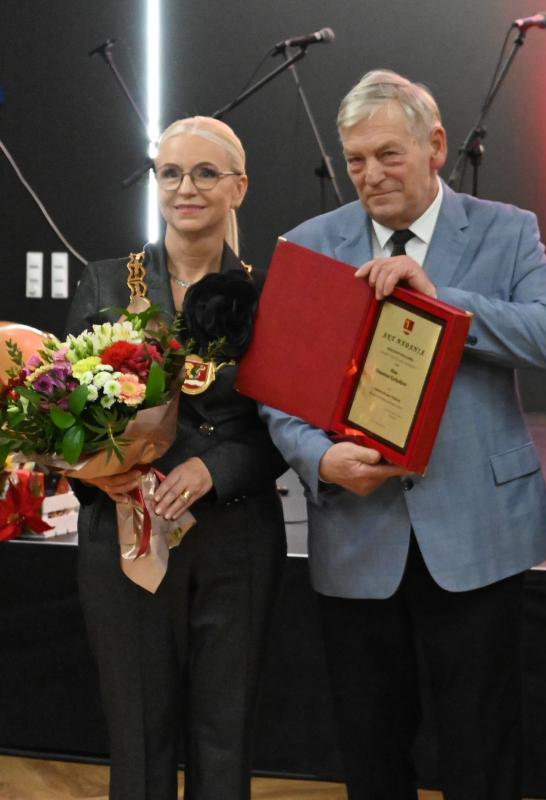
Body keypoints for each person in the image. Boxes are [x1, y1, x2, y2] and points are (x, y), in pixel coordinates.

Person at [260, 70, 546, 800]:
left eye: (388, 155)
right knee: (371, 749)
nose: (370, 174)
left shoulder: (505, 230)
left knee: (483, 746)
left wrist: (446, 303)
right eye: (356, 160)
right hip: (356, 534)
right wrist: (321, 459)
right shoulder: (312, 245)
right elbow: (279, 396)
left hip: (477, 533)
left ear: (435, 146)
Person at [65, 116, 288, 799]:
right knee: (138, 737)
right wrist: (106, 473)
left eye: (205, 173)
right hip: (127, 536)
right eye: (171, 173)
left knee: (226, 736)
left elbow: (288, 429)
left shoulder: (271, 293)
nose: (185, 188)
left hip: (236, 538)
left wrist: (214, 469)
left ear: (239, 187)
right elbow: (62, 413)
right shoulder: (106, 283)